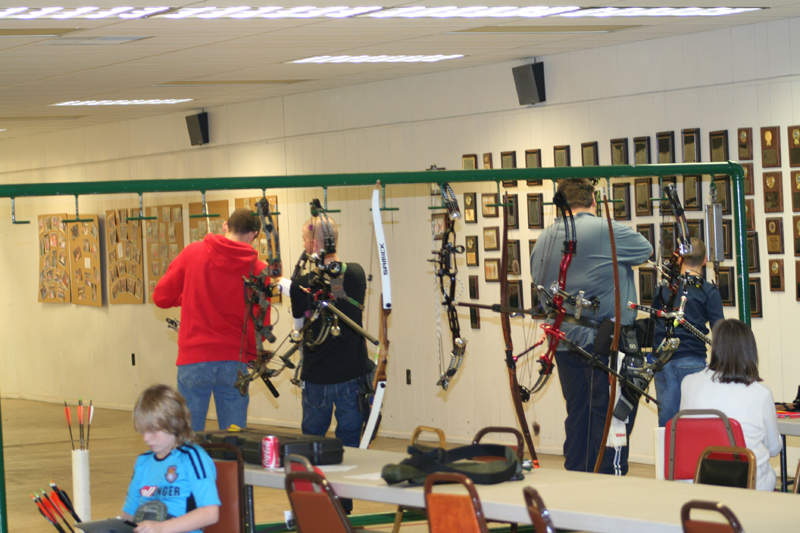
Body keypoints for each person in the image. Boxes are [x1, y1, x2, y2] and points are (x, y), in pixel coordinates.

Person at [530, 179, 652, 474]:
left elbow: (538, 280)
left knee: (578, 414)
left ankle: (576, 480)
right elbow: (645, 250)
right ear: (593, 200)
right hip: (605, 343)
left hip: (564, 342)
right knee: (610, 417)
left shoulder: (545, 237)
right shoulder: (605, 229)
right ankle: (607, 484)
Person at [153, 208, 266, 432]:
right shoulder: (258, 269)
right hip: (234, 360)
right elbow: (259, 322)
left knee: (188, 435)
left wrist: (188, 297)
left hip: (194, 358)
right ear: (253, 235)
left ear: (225, 226)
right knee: (235, 436)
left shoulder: (193, 252)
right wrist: (252, 356)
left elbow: (161, 297)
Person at [289, 213, 374, 512]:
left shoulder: (301, 283)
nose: (304, 245)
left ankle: (313, 506)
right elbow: (338, 293)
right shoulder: (356, 274)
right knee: (347, 445)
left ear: (314, 244)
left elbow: (300, 327)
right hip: (350, 376)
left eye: (305, 240)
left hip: (318, 379)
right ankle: (343, 507)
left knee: (312, 444)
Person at [680, 319, 781, 491]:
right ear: (750, 352)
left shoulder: (688, 383)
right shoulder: (761, 393)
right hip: (744, 484)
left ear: (716, 349)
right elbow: (774, 449)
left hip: (694, 480)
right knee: (769, 473)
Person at [121, 384, 220, 533]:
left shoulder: (192, 457)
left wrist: (161, 528)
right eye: (143, 431)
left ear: (174, 423)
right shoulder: (143, 462)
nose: (146, 438)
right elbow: (129, 515)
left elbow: (210, 513)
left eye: (153, 430)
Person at [652, 238, 724, 427]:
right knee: (695, 421)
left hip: (663, 360)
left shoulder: (664, 288)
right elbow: (720, 332)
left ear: (679, 260)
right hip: (692, 359)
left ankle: (667, 448)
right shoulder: (709, 291)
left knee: (668, 423)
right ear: (705, 260)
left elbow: (654, 322)